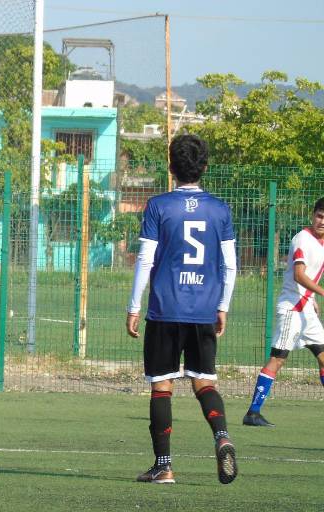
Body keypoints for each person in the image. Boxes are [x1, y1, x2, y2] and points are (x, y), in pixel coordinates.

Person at [126, 134, 238, 484]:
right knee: (204, 380)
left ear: (170, 167)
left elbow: (145, 258)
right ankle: (222, 437)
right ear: (204, 167)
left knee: (162, 386)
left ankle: (164, 466)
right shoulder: (220, 209)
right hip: (204, 310)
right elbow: (231, 266)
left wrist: (133, 305)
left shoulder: (158, 206)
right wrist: (223, 306)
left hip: (165, 309)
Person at [244, 198, 324, 427]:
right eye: (319, 215)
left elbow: (310, 275)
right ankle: (253, 412)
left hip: (306, 309)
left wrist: (313, 297)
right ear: (313, 215)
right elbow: (299, 275)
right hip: (292, 309)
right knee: (278, 359)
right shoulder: (303, 239)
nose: (322, 221)